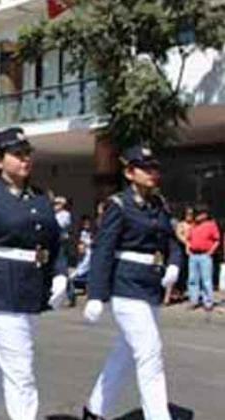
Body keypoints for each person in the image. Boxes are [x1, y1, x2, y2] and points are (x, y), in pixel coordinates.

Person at [0, 127, 68, 420]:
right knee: (21, 372)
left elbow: (54, 242)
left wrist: (59, 274)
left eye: (27, 153)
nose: (25, 160)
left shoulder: (40, 197)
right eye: (17, 155)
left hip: (30, 290)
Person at [82, 145, 182, 420]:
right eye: (145, 168)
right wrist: (96, 294)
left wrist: (174, 263)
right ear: (129, 172)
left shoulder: (158, 204)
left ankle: (95, 409)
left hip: (150, 286)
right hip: (126, 286)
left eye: (154, 168)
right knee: (150, 352)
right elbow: (103, 249)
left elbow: (171, 240)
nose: (152, 174)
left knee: (124, 353)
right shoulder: (118, 205)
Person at [186, 203, 220, 312]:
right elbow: (188, 238)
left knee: (206, 280)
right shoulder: (193, 225)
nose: (198, 216)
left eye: (200, 214)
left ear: (205, 214)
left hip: (205, 255)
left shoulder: (211, 224)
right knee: (192, 279)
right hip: (193, 255)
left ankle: (208, 302)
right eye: (197, 214)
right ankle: (193, 301)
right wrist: (188, 248)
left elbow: (217, 240)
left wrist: (211, 251)